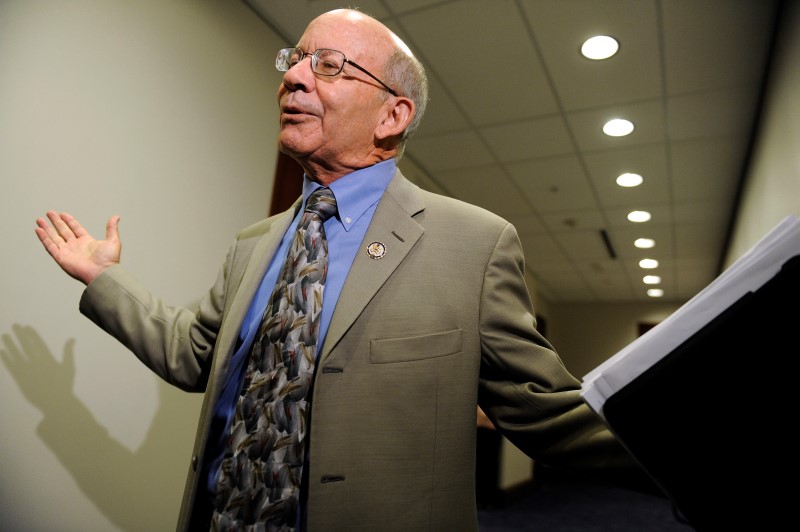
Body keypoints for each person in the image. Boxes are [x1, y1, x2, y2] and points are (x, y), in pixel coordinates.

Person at [35, 8, 648, 531]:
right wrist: (103, 279)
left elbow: (548, 414)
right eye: (295, 60)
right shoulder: (253, 244)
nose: (294, 78)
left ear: (392, 116)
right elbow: (196, 354)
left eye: (327, 65)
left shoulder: (475, 245)